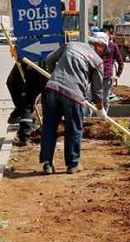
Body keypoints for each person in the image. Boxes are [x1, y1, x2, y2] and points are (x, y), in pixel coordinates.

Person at [39, 36, 107, 174]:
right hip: (73, 95)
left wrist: (56, 76)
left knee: (49, 127)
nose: (103, 53)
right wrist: (100, 108)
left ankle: (47, 164)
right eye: (104, 49)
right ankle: (72, 164)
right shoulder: (98, 61)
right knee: (74, 128)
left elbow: (49, 60)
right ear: (99, 46)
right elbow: (98, 89)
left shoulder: (71, 45)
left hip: (51, 89)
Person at [94, 32, 123, 113]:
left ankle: (104, 117)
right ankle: (88, 117)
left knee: (105, 99)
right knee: (90, 98)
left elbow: (120, 62)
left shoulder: (113, 46)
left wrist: (117, 76)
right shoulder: (95, 46)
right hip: (95, 76)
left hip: (107, 77)